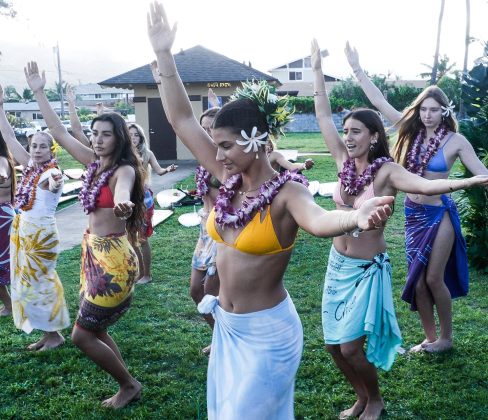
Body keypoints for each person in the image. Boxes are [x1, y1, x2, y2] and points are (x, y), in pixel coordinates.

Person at [147, 3, 394, 418]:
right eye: (217, 145)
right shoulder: (228, 182)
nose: (218, 154)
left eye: (226, 145)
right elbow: (180, 119)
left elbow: (319, 221)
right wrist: (165, 57)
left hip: (268, 333)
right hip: (228, 329)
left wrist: (355, 215)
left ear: (256, 141)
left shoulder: (287, 193)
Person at [311, 39, 488, 420]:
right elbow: (324, 116)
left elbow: (426, 186)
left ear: (373, 136)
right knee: (332, 345)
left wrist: (469, 182)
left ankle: (382, 392)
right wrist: (317, 73)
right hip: (337, 264)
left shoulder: (391, 169)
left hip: (381, 257)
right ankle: (365, 393)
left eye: (357, 131)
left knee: (354, 346)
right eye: (346, 130)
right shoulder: (348, 158)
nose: (349, 136)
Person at [345, 42, 488, 353]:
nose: (427, 115)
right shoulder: (408, 133)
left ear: (444, 111)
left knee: (435, 278)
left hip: (440, 215)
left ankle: (447, 338)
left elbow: (481, 173)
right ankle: (430, 337)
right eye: (423, 109)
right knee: (418, 281)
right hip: (413, 214)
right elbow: (379, 102)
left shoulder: (456, 140)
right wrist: (357, 70)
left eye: (433, 109)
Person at [25, 61, 145, 408]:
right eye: (94, 134)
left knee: (81, 335)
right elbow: (60, 133)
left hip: (114, 263)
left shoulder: (122, 169)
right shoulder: (94, 163)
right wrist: (37, 92)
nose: (97, 139)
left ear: (119, 137)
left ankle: (128, 384)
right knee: (96, 329)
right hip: (94, 256)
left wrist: (122, 205)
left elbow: (124, 190)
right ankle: (127, 382)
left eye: (105, 134)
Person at [0, 83, 70, 350]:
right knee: (28, 286)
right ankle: (47, 333)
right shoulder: (30, 166)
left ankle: (55, 335)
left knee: (40, 284)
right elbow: (8, 136)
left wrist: (53, 183)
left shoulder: (51, 173)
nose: (37, 150)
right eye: (34, 146)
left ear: (52, 152)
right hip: (24, 232)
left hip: (41, 235)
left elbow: (53, 183)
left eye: (43, 147)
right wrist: (0, 107)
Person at [127, 122, 177, 284]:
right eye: (130, 134)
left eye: (136, 135)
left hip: (143, 200)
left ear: (141, 138)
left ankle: (146, 275)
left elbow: (159, 170)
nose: (133, 137)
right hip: (127, 200)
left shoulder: (147, 153)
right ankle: (138, 272)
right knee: (129, 238)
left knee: (142, 239)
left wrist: (167, 170)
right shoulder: (121, 153)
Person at [0, 130, 15, 316]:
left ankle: (11, 305)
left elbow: (2, 172)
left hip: (2, 217)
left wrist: (2, 176)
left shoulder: (2, 159)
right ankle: (9, 305)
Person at [66, 83, 91, 148]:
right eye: (95, 133)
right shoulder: (92, 154)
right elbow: (77, 130)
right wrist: (71, 103)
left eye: (106, 135)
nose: (98, 140)